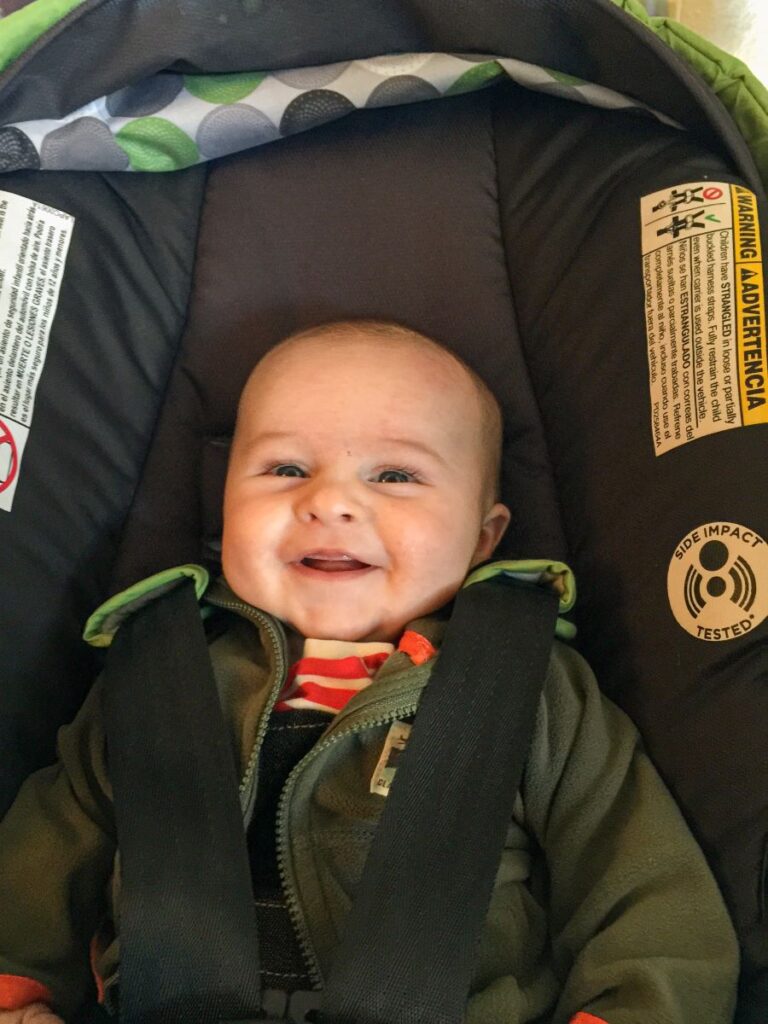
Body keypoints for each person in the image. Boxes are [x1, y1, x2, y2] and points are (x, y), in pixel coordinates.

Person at [0, 320, 739, 1024]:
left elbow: (645, 888)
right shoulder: (160, 673)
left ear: (483, 538)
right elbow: (54, 843)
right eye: (285, 467)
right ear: (224, 511)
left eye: (395, 475)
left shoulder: (529, 687)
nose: (329, 501)